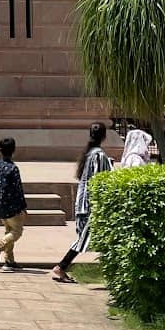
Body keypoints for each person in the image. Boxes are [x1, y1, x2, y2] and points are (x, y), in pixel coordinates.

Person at [52, 121, 112, 283]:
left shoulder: (89, 154)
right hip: (90, 204)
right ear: (104, 136)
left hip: (83, 203)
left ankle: (63, 267)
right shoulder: (98, 155)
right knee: (87, 238)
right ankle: (62, 266)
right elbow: (99, 180)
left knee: (89, 238)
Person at [0, 136, 28, 272]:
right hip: (12, 206)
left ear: (0, 150)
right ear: (14, 150)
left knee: (9, 231)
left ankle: (9, 260)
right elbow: (18, 189)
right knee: (17, 232)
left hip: (0, 206)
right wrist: (23, 207)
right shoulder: (13, 168)